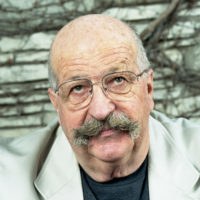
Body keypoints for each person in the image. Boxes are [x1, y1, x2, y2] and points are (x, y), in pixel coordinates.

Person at [0, 14, 200, 200]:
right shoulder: (7, 177)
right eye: (77, 88)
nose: (101, 110)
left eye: (118, 80)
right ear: (57, 103)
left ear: (148, 89)